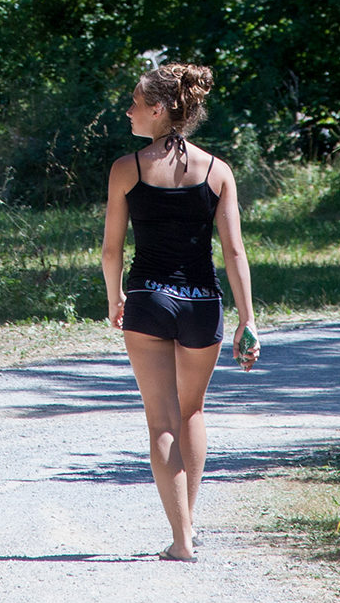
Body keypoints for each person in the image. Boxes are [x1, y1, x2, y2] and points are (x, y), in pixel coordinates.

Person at [99, 62, 259, 562]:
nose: (127, 110)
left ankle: (182, 538)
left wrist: (113, 297)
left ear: (160, 109)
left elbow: (111, 250)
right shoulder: (218, 171)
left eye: (134, 102)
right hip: (202, 303)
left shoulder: (128, 168)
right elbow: (234, 252)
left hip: (147, 298)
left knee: (161, 422)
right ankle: (184, 530)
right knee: (191, 412)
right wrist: (248, 319)